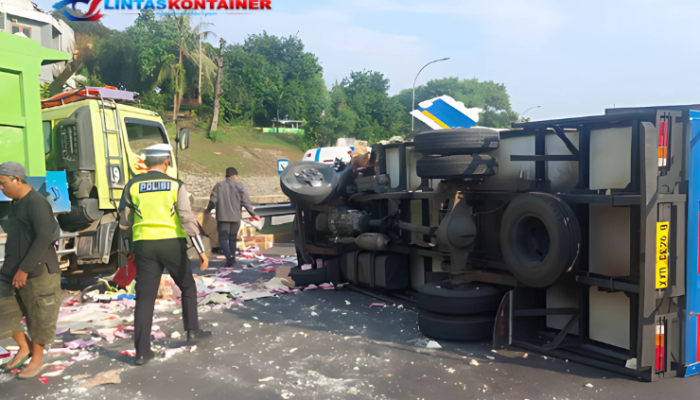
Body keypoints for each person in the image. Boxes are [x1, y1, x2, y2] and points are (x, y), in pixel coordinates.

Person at [118, 144, 211, 366]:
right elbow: (186, 218)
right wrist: (201, 250)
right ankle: (191, 331)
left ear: (146, 164)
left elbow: (124, 221)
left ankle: (142, 352)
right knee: (187, 286)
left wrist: (128, 248)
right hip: (171, 243)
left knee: (145, 298)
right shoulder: (175, 185)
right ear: (167, 162)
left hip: (144, 245)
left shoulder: (132, 186)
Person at [0, 162, 61, 379]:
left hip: (38, 270)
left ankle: (36, 359)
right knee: (4, 309)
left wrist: (24, 269)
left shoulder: (36, 202)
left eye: (3, 183)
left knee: (39, 316)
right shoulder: (15, 204)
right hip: (11, 269)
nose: (1, 188)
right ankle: (24, 347)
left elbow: (45, 236)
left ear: (17, 179)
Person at [205, 167, 260, 268]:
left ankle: (229, 257)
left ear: (226, 175)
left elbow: (213, 201)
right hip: (236, 217)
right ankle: (232, 257)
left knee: (222, 238)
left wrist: (207, 211)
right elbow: (245, 201)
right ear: (235, 175)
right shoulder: (240, 186)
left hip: (222, 217)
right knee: (232, 238)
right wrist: (253, 214)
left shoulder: (219, 186)